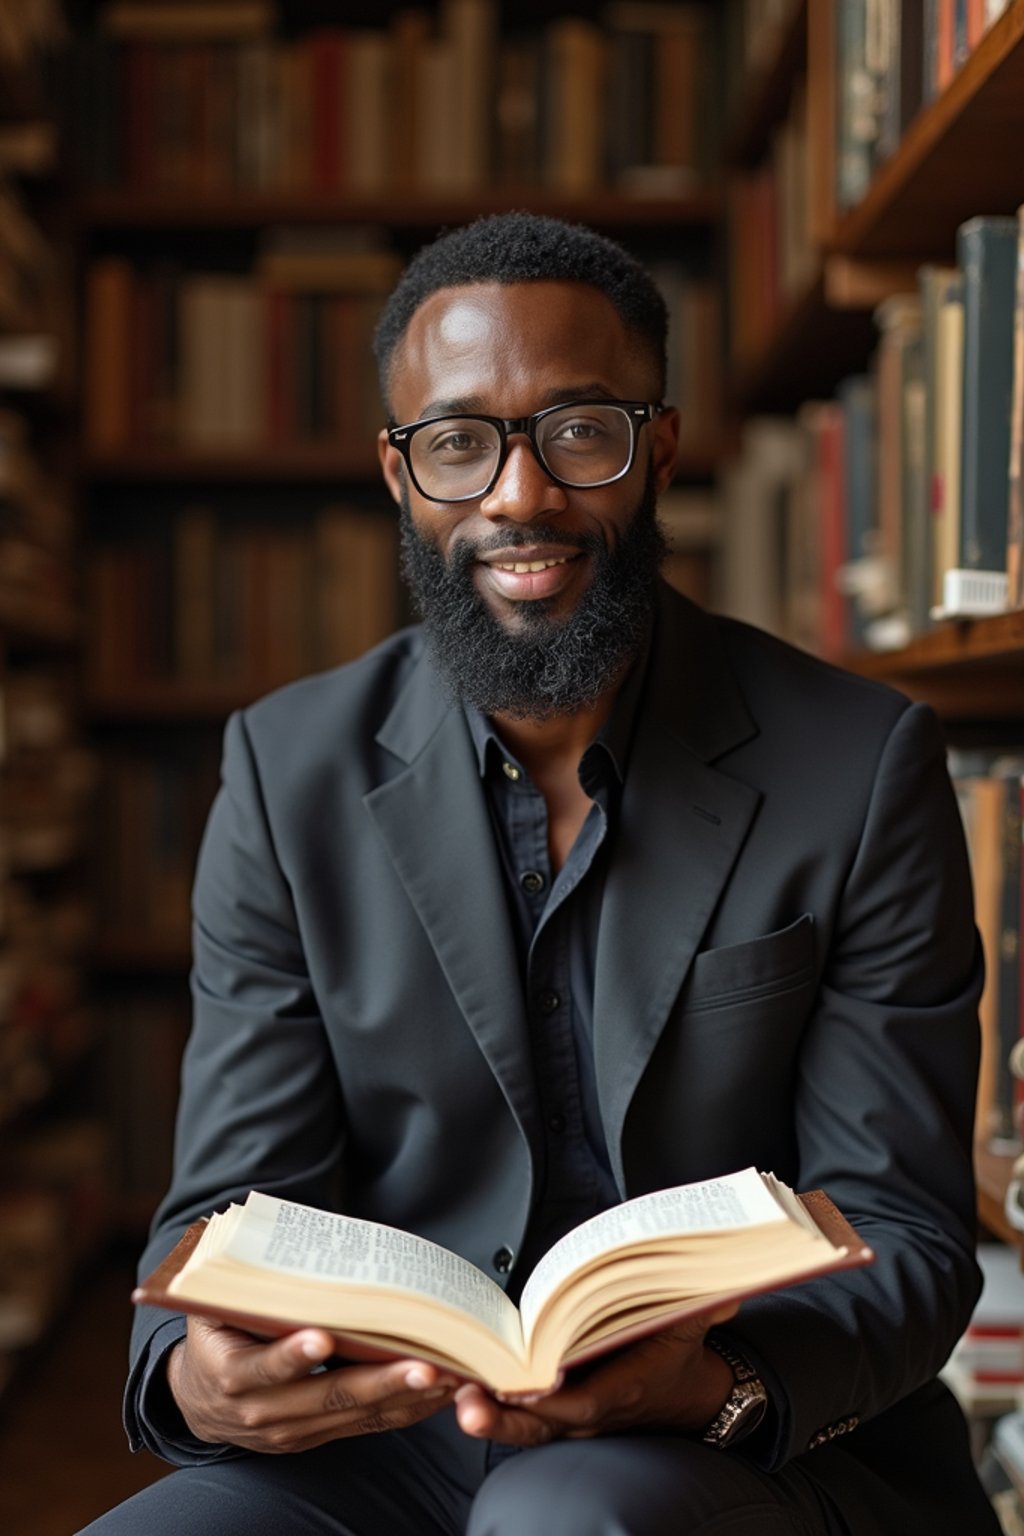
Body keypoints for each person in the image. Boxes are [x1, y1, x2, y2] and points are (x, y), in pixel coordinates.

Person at [82, 213, 1000, 1535]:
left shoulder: (860, 764)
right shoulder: (287, 772)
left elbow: (904, 1229)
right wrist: (202, 1380)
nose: (517, 495)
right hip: (385, 1434)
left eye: (577, 430)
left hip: (741, 1434)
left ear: (659, 448)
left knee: (569, 1519)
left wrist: (721, 1378)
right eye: (458, 443)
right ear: (401, 477)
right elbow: (229, 1204)